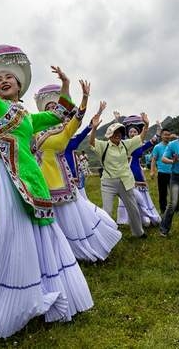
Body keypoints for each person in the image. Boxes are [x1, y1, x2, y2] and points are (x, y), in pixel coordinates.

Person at [0, 45, 93, 338]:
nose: (4, 81)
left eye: (10, 77)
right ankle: (2, 296)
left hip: (29, 179)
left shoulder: (29, 117)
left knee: (33, 233)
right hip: (3, 179)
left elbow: (60, 114)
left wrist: (66, 85)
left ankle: (37, 287)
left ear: (20, 85)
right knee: (6, 230)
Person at [34, 79, 121, 262]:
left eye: (54, 106)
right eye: (47, 106)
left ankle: (76, 249)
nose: (51, 108)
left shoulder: (65, 130)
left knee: (68, 215)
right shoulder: (35, 130)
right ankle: (54, 251)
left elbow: (79, 118)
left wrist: (85, 97)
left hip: (60, 178)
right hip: (39, 177)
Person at [89, 112, 149, 238]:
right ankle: (106, 235)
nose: (117, 135)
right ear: (109, 135)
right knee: (107, 211)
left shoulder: (125, 144)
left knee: (133, 208)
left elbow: (140, 138)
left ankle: (138, 232)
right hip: (108, 182)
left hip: (125, 181)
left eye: (120, 133)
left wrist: (146, 125)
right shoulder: (103, 145)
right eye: (115, 133)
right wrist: (94, 128)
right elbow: (92, 142)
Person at [116, 115, 161, 227]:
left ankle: (145, 216)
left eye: (135, 132)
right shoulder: (123, 144)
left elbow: (154, 140)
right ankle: (126, 218)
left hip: (137, 174)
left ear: (138, 133)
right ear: (127, 134)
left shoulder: (140, 145)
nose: (132, 133)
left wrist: (158, 128)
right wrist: (117, 121)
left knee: (141, 196)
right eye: (130, 132)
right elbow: (117, 134)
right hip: (125, 174)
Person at [150, 128, 173, 214]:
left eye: (168, 134)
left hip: (173, 172)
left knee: (174, 191)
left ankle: (175, 208)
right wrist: (152, 171)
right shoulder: (157, 147)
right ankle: (163, 209)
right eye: (165, 134)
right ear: (161, 136)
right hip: (162, 173)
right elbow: (153, 159)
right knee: (162, 192)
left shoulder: (172, 145)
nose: (167, 136)